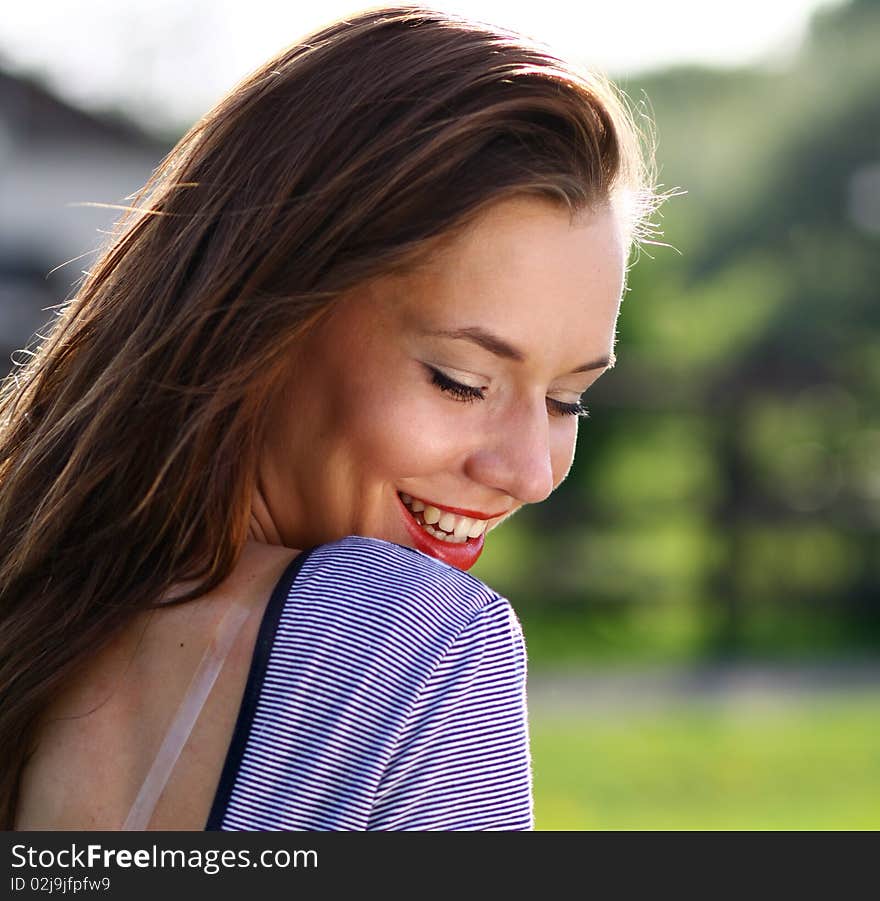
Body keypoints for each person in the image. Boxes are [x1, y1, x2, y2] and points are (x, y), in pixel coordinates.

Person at [0, 5, 662, 830]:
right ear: (269, 318)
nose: (529, 472)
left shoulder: (30, 605)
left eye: (568, 399)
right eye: (460, 381)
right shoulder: (424, 648)